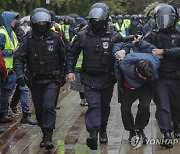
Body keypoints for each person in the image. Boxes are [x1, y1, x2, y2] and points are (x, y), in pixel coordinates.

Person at [66, 2, 136, 150]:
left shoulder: (113, 35)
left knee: (104, 106)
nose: (97, 22)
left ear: (105, 19)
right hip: (89, 77)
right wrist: (70, 71)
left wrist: (125, 48)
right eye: (94, 19)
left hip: (107, 78)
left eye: (100, 19)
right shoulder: (82, 36)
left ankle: (103, 129)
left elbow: (124, 43)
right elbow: (71, 54)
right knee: (94, 105)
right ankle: (93, 132)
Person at [13, 8, 65, 150]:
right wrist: (19, 75)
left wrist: (62, 75)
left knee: (49, 106)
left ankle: (48, 136)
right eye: (39, 22)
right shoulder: (28, 39)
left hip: (52, 79)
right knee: (40, 109)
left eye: (44, 22)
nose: (42, 24)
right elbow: (19, 59)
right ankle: (44, 131)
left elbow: (63, 57)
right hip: (35, 80)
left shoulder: (55, 38)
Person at [145, 4, 180, 148]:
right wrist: (152, 51)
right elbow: (144, 46)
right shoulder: (154, 34)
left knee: (176, 106)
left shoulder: (179, 33)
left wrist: (164, 52)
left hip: (177, 77)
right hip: (161, 77)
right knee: (163, 106)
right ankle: (166, 134)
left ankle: (176, 126)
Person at [113, 40, 160, 147]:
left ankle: (140, 129)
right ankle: (131, 131)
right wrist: (123, 49)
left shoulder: (155, 63)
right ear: (137, 71)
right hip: (127, 87)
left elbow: (152, 47)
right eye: (143, 77)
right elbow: (116, 47)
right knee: (125, 109)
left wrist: (141, 41)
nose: (145, 78)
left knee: (144, 106)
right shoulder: (124, 64)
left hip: (144, 88)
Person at [0, 11, 19, 123]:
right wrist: (12, 51)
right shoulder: (2, 33)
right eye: (13, 19)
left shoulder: (11, 32)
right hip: (4, 68)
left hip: (10, 68)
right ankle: (2, 114)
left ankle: (4, 113)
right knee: (5, 92)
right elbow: (0, 51)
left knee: (7, 92)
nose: (15, 21)